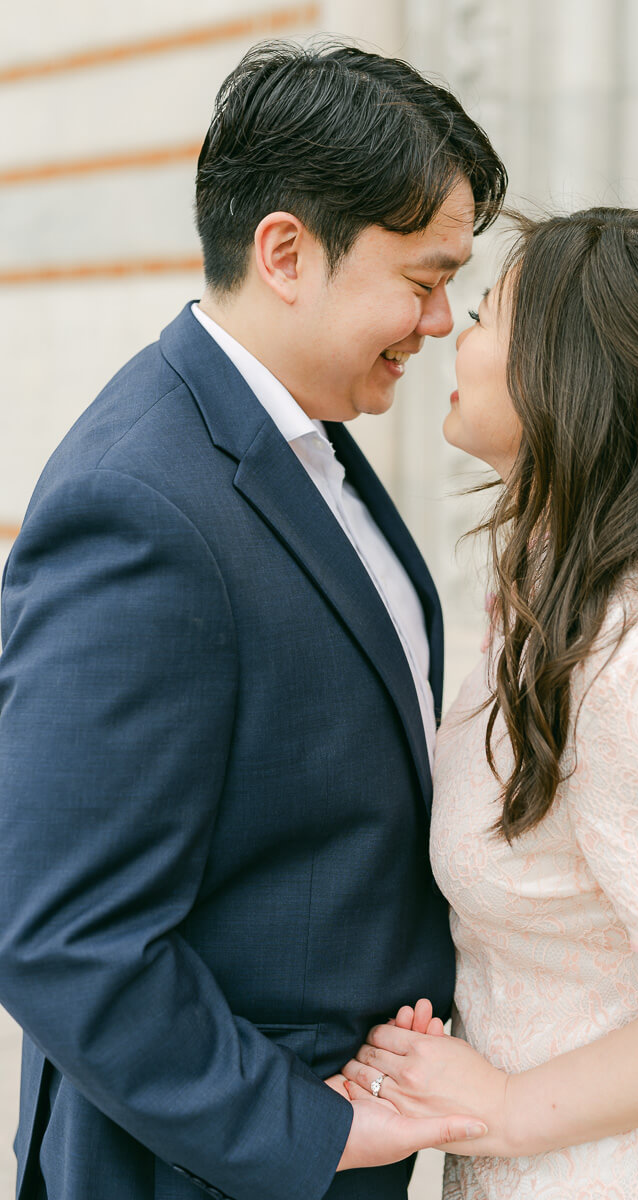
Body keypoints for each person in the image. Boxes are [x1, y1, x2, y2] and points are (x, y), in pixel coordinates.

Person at [0, 41, 507, 1200]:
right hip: (208, 1166)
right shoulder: (140, 507)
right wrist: (305, 1132)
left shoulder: (310, 439)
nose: (438, 322)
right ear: (287, 253)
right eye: (421, 279)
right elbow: (59, 932)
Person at [342, 207, 638, 1198]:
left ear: (568, 371)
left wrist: (505, 1109)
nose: (452, 326)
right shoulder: (558, 610)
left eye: (490, 311)